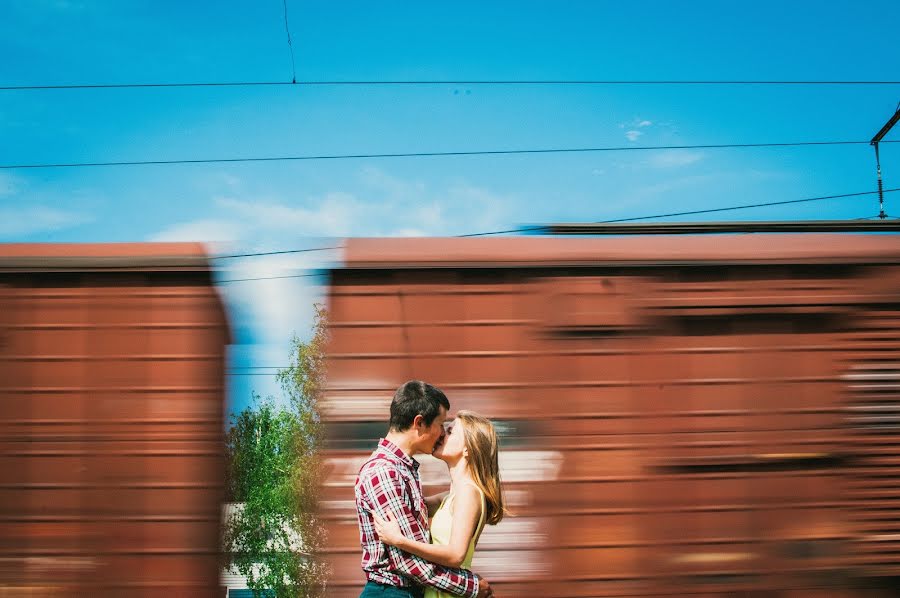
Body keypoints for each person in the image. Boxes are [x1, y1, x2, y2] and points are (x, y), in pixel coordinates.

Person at [355, 381, 494, 598]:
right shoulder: (385, 473)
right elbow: (406, 560)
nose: (441, 434)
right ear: (419, 422)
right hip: (391, 592)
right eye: (441, 424)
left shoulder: (404, 470)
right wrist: (471, 587)